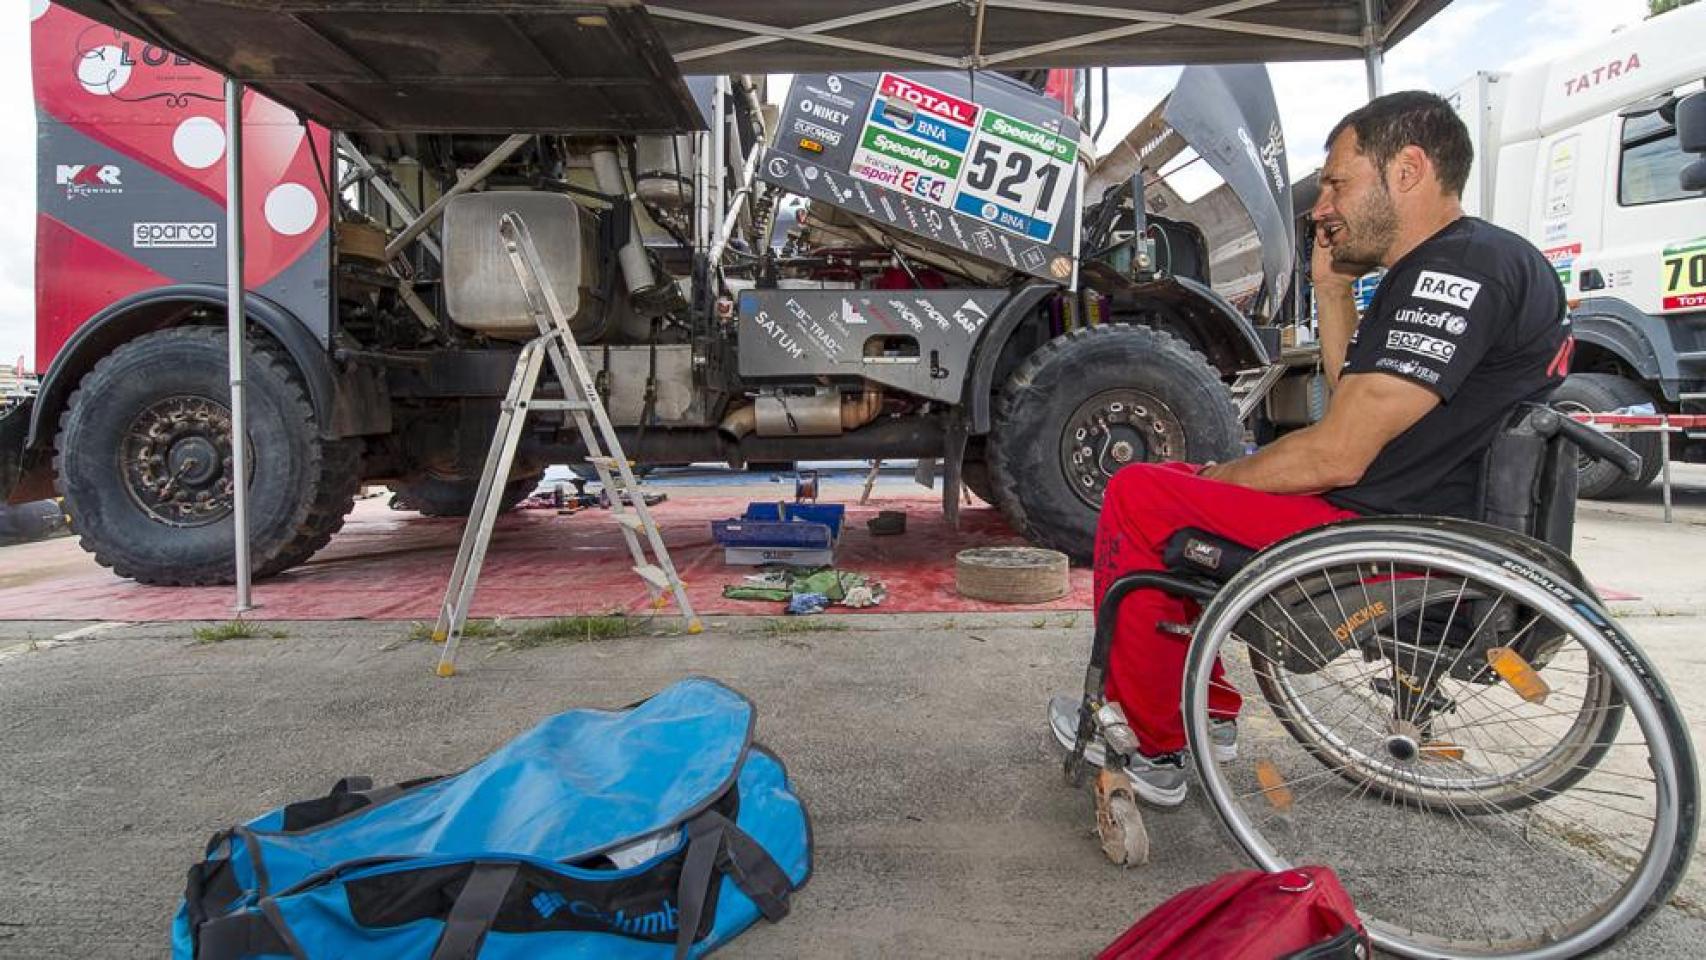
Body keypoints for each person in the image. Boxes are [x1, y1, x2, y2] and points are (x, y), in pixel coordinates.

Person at [1049, 91, 1574, 807]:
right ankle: (1206, 709)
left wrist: (1223, 477)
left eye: (1338, 182)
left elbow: (1339, 454)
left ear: (1409, 170)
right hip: (1413, 516)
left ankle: (1153, 741)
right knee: (1175, 482)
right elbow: (1357, 403)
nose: (1323, 206)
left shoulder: (1458, 268)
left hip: (1390, 535)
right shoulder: (1475, 260)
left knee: (1143, 493)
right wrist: (1333, 294)